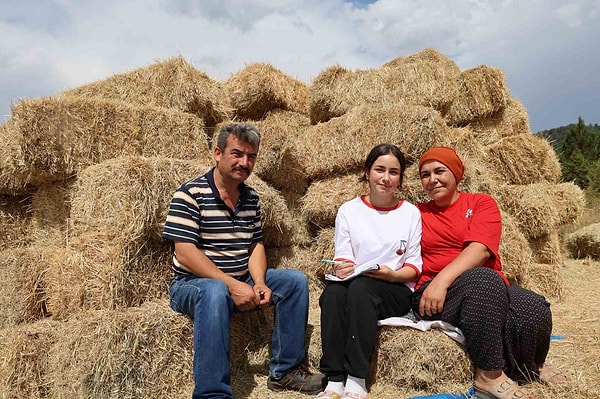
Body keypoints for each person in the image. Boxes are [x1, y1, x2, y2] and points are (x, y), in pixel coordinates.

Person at [162, 123, 323, 399]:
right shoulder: (190, 194)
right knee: (214, 292)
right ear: (217, 153)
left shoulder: (251, 198)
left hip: (240, 277)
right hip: (192, 284)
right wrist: (230, 285)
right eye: (237, 154)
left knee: (294, 281)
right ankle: (212, 394)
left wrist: (258, 281)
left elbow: (255, 244)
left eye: (251, 156)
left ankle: (284, 371)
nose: (244, 162)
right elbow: (184, 252)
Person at [413, 146, 566, 399]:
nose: (432, 180)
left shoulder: (481, 203)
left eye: (439, 171)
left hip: (479, 284)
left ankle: (530, 366)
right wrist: (437, 282)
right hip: (436, 293)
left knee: (534, 306)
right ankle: (488, 376)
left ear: (456, 173)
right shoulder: (417, 213)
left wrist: (443, 278)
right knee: (484, 280)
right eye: (425, 175)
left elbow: (481, 249)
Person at [317, 144, 423, 399]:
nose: (386, 178)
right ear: (367, 172)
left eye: (393, 172)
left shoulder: (410, 213)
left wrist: (392, 275)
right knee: (332, 295)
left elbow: (414, 266)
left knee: (361, 291)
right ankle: (333, 379)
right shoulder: (349, 211)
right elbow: (344, 256)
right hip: (357, 282)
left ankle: (356, 378)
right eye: (379, 170)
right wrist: (342, 268)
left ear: (400, 178)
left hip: (395, 288)